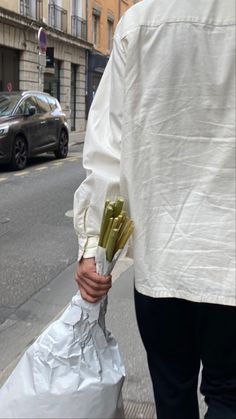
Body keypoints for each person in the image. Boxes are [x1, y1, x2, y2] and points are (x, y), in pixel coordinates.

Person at [73, 0, 236, 418]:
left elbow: (109, 150)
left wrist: (94, 246)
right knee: (230, 396)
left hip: (161, 264)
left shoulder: (137, 24)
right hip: (229, 265)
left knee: (172, 394)